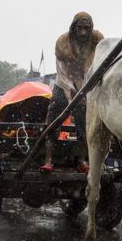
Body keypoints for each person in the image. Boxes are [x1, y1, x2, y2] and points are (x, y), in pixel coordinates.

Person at [41, 12, 104, 173]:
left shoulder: (97, 42)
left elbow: (99, 68)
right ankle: (48, 160)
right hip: (63, 85)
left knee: (85, 124)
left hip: (85, 86)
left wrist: (87, 92)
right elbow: (62, 72)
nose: (83, 32)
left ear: (91, 29)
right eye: (80, 28)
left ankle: (82, 160)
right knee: (53, 122)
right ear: (73, 28)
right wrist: (72, 90)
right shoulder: (63, 43)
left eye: (86, 28)